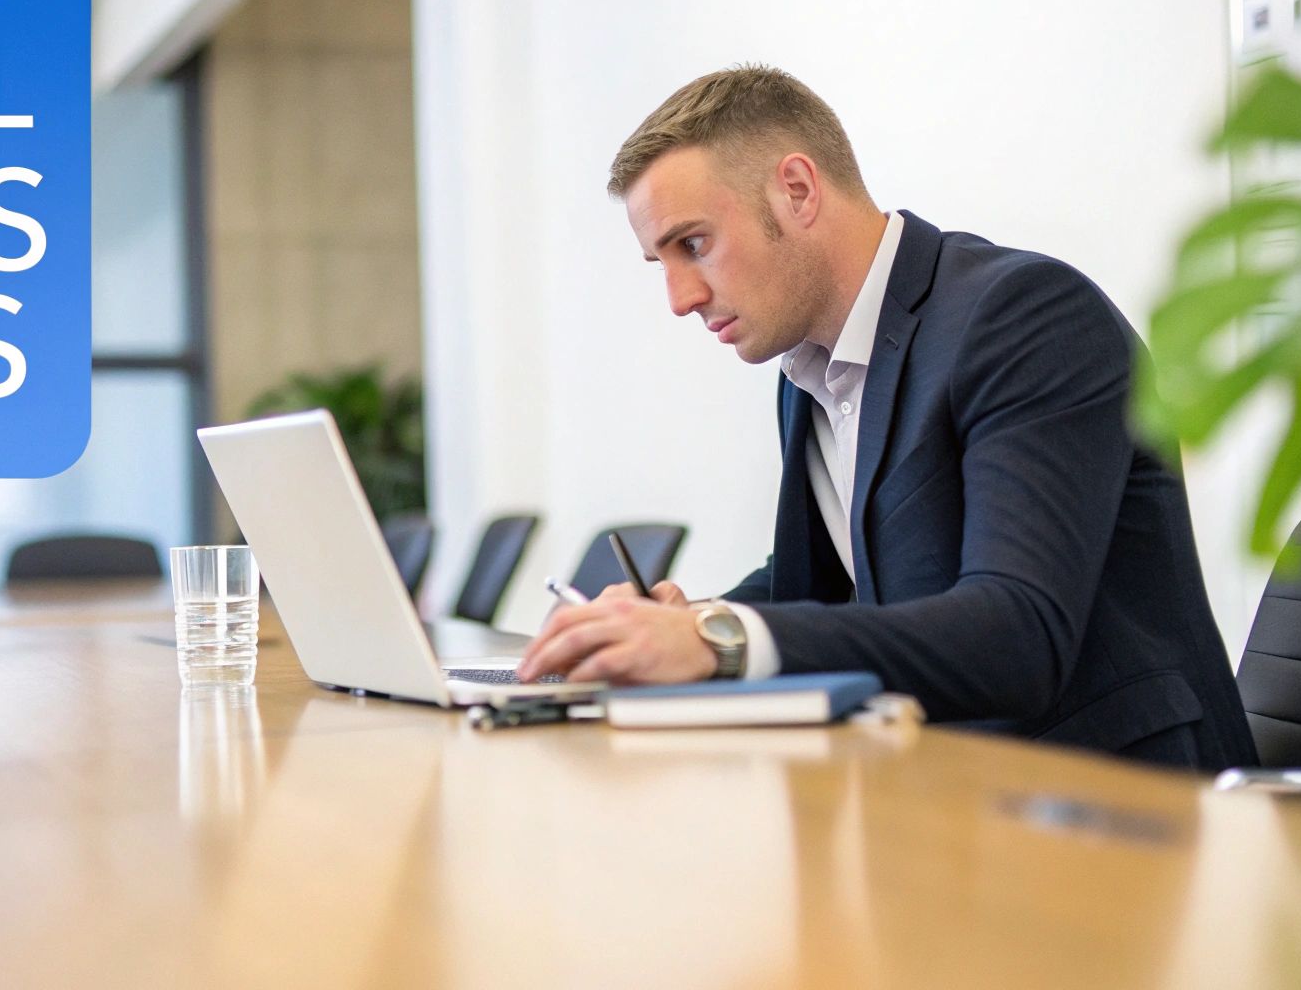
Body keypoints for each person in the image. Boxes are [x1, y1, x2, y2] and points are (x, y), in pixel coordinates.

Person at [516, 66, 1256, 770]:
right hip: (950, 791)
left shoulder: (1024, 317)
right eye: (662, 263)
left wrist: (718, 639)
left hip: (1126, 810)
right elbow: (829, 578)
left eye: (694, 245)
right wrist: (683, 621)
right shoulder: (806, 370)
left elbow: (1018, 631)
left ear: (797, 190)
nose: (681, 297)